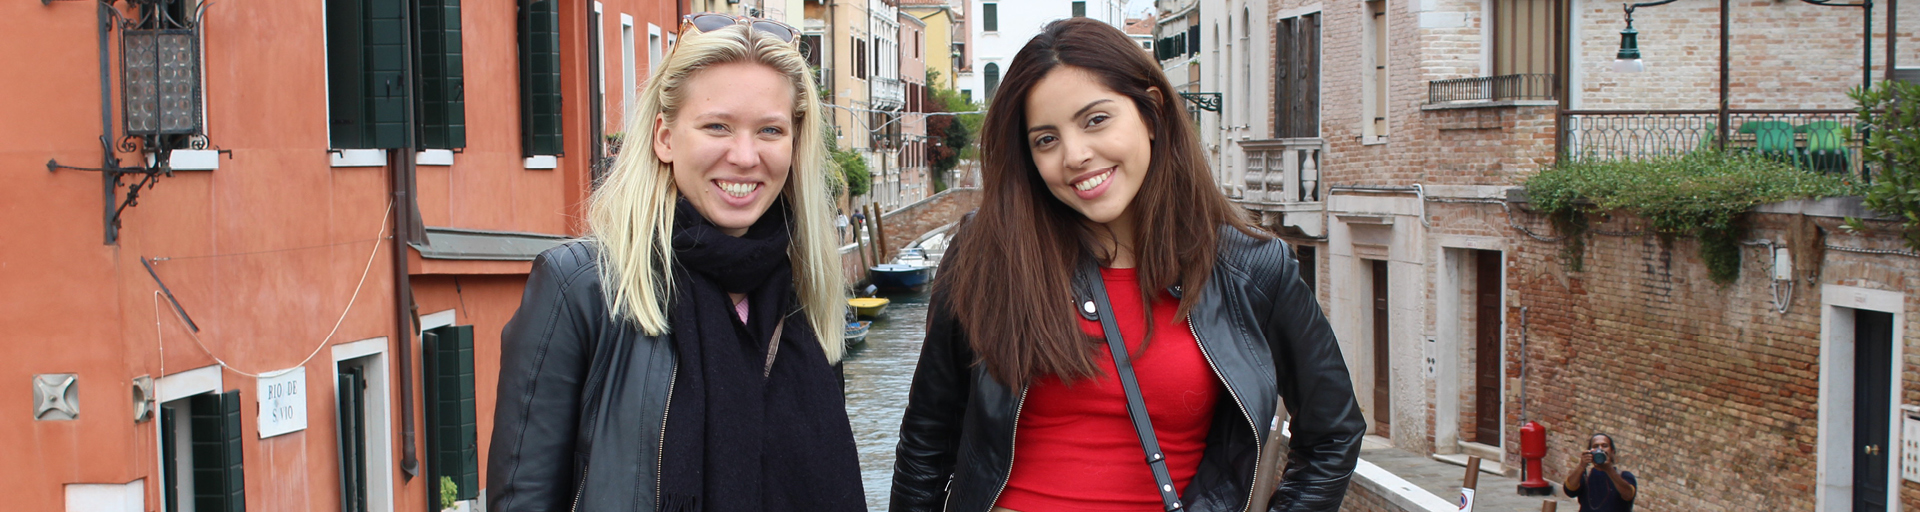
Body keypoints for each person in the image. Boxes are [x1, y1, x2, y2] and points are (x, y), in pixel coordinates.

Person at [889, 18, 1365, 512]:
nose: (1075, 155)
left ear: (1152, 113)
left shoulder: (1251, 269)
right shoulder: (987, 255)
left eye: (1095, 120)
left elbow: (1334, 433)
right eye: (1046, 140)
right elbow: (927, 440)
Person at [488, 13, 863, 512]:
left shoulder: (808, 291)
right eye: (717, 126)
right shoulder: (580, 289)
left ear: (795, 145)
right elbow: (523, 499)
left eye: (770, 130)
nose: (745, 156)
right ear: (664, 137)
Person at [1564, 433, 1637, 512]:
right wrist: (1582, 466)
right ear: (1590, 452)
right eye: (1595, 446)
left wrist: (1609, 469)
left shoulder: (1624, 476)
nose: (1600, 449)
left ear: (1612, 452)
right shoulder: (1585, 475)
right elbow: (1569, 491)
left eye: (1604, 446)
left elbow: (1628, 495)